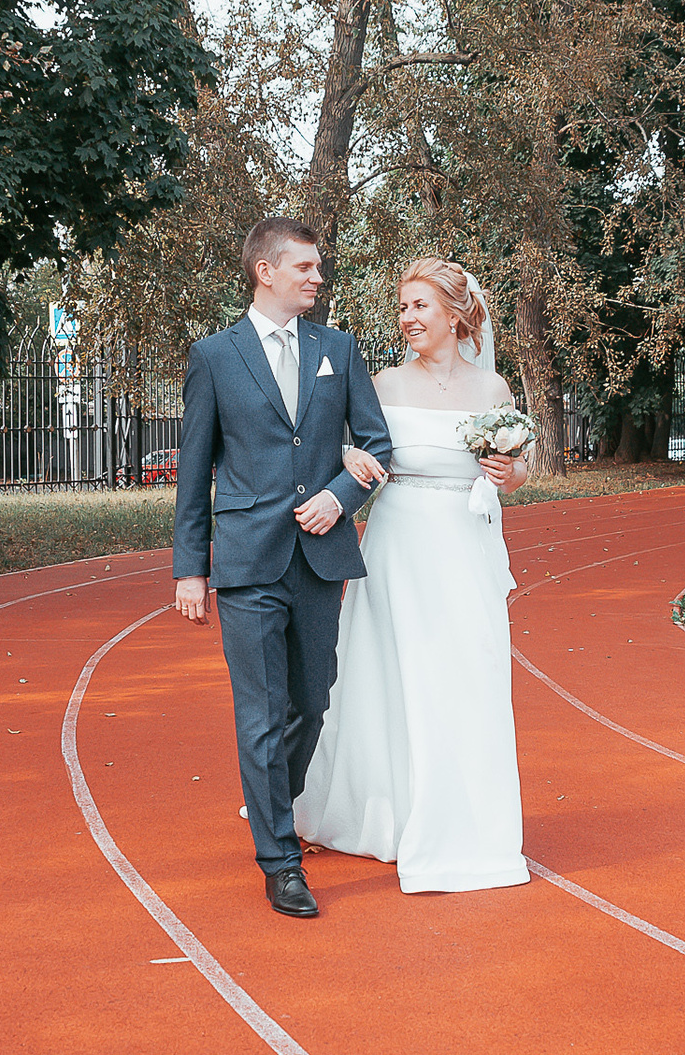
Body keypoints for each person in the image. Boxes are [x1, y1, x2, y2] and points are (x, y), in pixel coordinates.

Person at [171, 217, 395, 919]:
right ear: (265, 271)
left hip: (320, 557)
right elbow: (194, 469)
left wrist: (341, 495)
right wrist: (189, 567)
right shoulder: (213, 356)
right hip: (248, 559)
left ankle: (270, 800)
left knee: (313, 701)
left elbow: (377, 442)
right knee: (261, 715)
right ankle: (280, 860)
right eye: (303, 267)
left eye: (318, 268)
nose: (316, 278)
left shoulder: (341, 348)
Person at [294, 257, 531, 893]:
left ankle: (466, 819)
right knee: (393, 672)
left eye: (420, 306)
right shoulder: (385, 383)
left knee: (465, 672)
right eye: (403, 307)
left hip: (464, 545)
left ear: (456, 315)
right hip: (399, 542)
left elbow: (515, 467)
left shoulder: (494, 390)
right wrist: (348, 457)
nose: (407, 319)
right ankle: (388, 813)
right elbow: (353, 450)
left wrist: (511, 474)